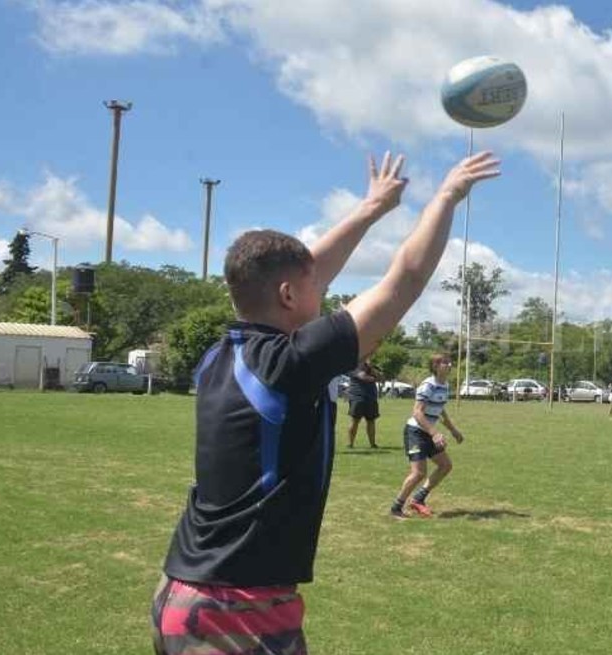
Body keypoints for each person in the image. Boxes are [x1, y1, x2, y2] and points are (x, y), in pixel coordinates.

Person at [151, 150, 500, 655]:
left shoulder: (218, 355)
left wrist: (371, 209)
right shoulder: (289, 364)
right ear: (290, 295)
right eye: (317, 285)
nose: (327, 288)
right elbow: (402, 281)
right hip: (238, 609)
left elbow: (300, 275)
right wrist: (446, 197)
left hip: (184, 591)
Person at [391, 354, 463, 519]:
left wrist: (453, 430)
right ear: (436, 366)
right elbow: (417, 412)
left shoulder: (444, 385)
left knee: (445, 465)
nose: (450, 365)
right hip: (416, 432)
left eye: (449, 362)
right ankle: (396, 508)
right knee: (418, 473)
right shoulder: (428, 385)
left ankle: (418, 499)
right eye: (445, 362)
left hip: (428, 432)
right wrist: (435, 433)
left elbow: (440, 411)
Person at [346, 359, 380, 448]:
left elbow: (382, 378)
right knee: (355, 421)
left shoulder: (371, 368)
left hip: (371, 398)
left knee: (371, 421)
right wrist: (374, 378)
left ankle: (373, 444)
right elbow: (363, 377)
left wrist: (371, 368)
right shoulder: (353, 367)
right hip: (357, 397)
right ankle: (350, 444)